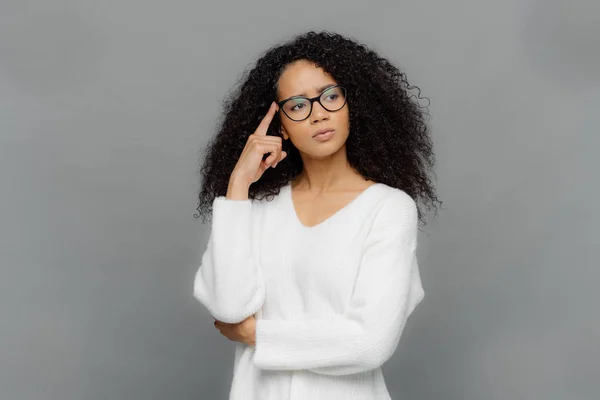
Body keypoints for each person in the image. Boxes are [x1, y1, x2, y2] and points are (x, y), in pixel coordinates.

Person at [193, 30, 441, 400]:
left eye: (330, 96)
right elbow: (229, 307)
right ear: (282, 129)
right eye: (297, 105)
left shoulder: (387, 209)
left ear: (350, 104)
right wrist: (238, 185)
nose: (319, 114)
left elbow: (369, 342)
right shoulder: (256, 208)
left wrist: (258, 335)